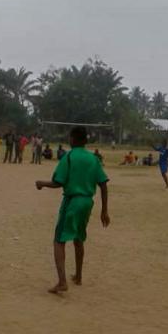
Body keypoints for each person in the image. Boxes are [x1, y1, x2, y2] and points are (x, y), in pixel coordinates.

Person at [35, 126, 110, 294]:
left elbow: (58, 182)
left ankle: (62, 282)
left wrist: (41, 183)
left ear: (73, 139)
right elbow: (103, 184)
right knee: (78, 237)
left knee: (59, 240)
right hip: (87, 203)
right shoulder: (93, 159)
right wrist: (104, 210)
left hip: (72, 201)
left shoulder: (68, 157)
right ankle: (78, 276)